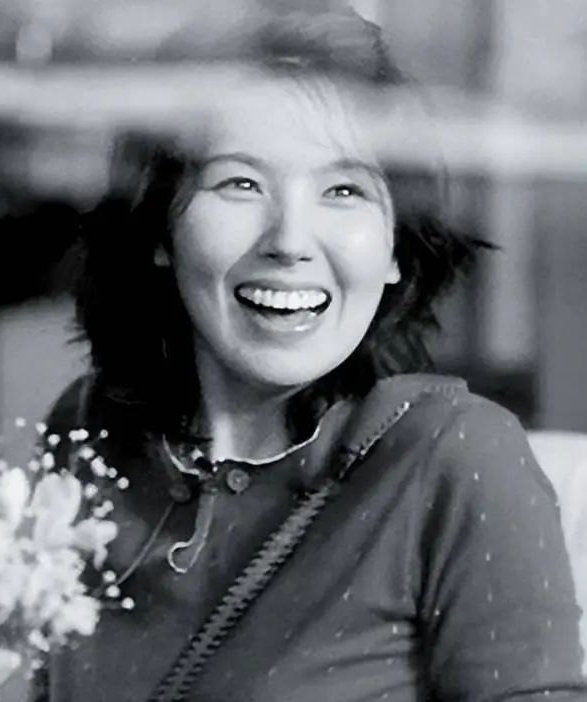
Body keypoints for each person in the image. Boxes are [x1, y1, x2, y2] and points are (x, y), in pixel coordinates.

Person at [41, 8, 587, 701]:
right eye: (240, 183)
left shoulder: (454, 457)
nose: (290, 240)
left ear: (395, 245)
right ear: (158, 229)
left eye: (343, 191)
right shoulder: (89, 432)